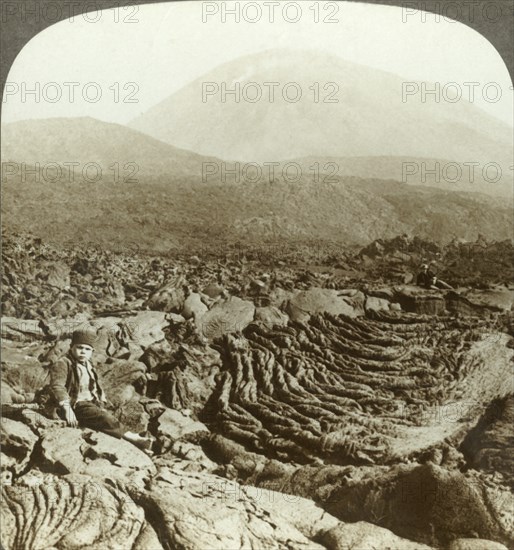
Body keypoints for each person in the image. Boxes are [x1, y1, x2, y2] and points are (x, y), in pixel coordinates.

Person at [50, 329, 154, 452]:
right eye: (79, 347)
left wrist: (102, 401)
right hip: (75, 405)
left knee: (108, 417)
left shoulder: (88, 364)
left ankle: (137, 445)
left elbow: (95, 385)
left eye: (87, 349)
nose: (83, 351)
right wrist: (67, 409)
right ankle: (134, 438)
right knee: (105, 418)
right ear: (72, 347)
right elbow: (57, 386)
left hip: (91, 403)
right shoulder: (63, 363)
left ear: (92, 352)